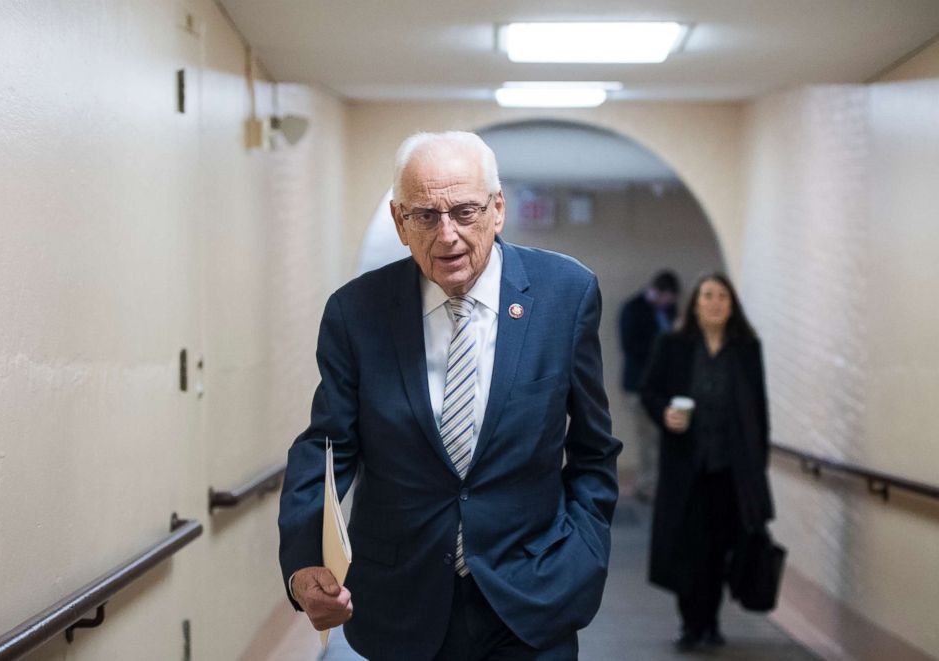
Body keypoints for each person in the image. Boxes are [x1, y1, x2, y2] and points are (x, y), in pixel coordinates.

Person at [278, 131, 623, 660]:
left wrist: (584, 553)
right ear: (398, 221)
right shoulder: (357, 312)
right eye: (424, 215)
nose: (447, 236)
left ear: (497, 209)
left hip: (533, 594)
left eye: (465, 211)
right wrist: (304, 563)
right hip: (402, 602)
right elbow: (326, 446)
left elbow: (595, 449)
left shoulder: (566, 295)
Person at [639, 272, 773, 652]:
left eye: (722, 297)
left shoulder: (747, 350)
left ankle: (710, 622)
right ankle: (689, 623)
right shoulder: (674, 345)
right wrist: (665, 413)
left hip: (731, 469)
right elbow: (650, 391)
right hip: (687, 467)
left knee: (720, 548)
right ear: (695, 303)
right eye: (708, 295)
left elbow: (759, 411)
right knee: (688, 548)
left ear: (732, 306)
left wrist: (758, 467)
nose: (715, 303)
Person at [618, 270, 680, 501]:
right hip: (639, 385)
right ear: (660, 292)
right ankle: (646, 485)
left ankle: (657, 483)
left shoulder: (669, 311)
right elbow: (630, 347)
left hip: (664, 387)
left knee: (660, 438)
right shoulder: (633, 309)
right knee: (646, 437)